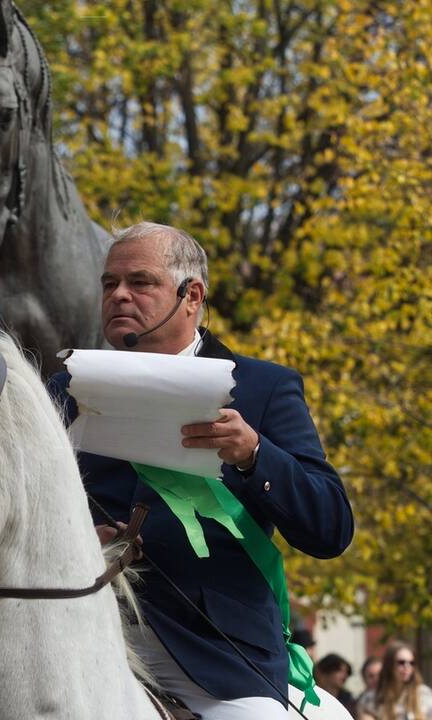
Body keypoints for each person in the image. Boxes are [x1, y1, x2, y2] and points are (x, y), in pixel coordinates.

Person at [47, 222, 354, 720]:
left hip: (216, 652)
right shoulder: (66, 389)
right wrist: (81, 536)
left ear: (192, 295)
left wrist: (255, 453)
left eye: (140, 282)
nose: (119, 295)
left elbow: (331, 528)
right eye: (109, 284)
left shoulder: (263, 387)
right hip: (82, 625)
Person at [356, 642, 432, 720]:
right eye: (401, 662)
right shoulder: (370, 700)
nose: (407, 666)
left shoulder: (424, 694)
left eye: (411, 663)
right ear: (389, 665)